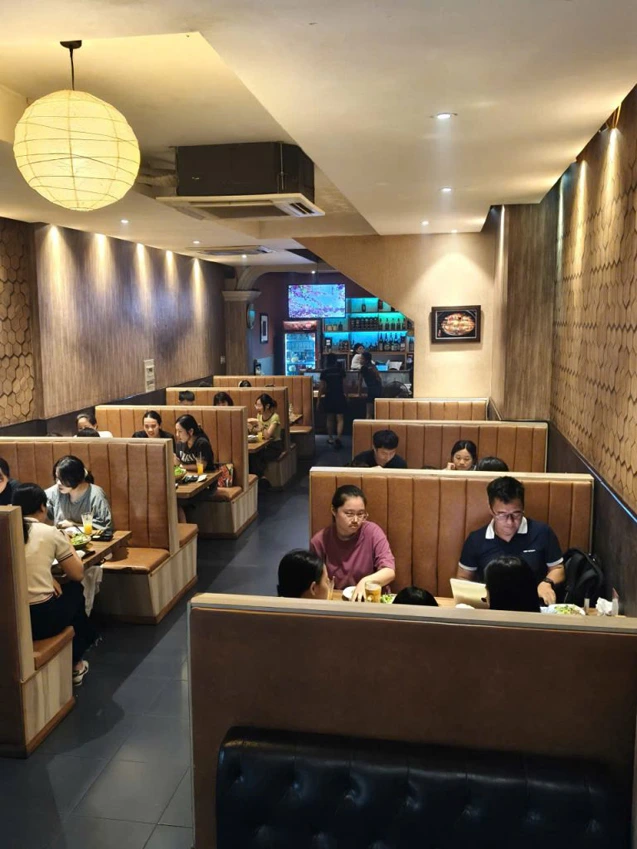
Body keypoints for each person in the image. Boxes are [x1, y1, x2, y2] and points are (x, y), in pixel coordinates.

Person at [13, 483, 98, 686]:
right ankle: (76, 663)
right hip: (39, 622)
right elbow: (77, 574)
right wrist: (65, 539)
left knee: (64, 594)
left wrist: (49, 578)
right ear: (43, 507)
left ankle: (83, 647)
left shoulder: (7, 529)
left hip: (10, 620)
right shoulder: (49, 532)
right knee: (74, 590)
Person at [457, 476, 564, 605]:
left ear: (523, 507)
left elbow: (558, 568)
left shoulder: (542, 532)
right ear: (491, 510)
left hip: (534, 606)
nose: (510, 522)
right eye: (502, 514)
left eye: (516, 514)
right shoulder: (476, 540)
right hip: (491, 607)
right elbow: (463, 577)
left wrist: (547, 583)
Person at [310, 484, 395, 601]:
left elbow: (389, 571)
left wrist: (365, 582)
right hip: (337, 600)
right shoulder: (320, 541)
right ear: (334, 510)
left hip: (370, 599)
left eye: (360, 514)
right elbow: (315, 582)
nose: (356, 520)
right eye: (349, 514)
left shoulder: (373, 532)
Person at [46, 455, 113, 531]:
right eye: (57, 478)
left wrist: (74, 525)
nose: (58, 483)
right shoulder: (54, 491)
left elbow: (105, 527)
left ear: (75, 478)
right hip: (61, 537)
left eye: (63, 479)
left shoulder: (96, 494)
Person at [249, 393, 284, 478]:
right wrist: (251, 428)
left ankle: (261, 478)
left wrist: (258, 423)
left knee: (257, 456)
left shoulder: (275, 417)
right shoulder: (259, 416)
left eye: (259, 405)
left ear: (267, 406)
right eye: (256, 405)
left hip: (275, 447)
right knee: (250, 456)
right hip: (263, 445)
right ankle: (256, 479)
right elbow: (260, 433)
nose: (257, 408)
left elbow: (268, 435)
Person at [319, 353, 347, 448]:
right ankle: (338, 438)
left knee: (329, 418)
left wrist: (319, 399)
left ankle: (330, 438)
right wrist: (347, 396)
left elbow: (322, 387)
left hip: (329, 396)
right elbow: (344, 385)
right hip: (339, 395)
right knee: (340, 418)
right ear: (335, 361)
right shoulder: (340, 371)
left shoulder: (324, 372)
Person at [358, 352, 383, 418]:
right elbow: (379, 378)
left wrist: (359, 393)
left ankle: (368, 424)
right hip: (378, 390)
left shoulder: (363, 368)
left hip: (371, 390)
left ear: (365, 360)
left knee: (368, 413)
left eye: (361, 358)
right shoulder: (373, 366)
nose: (360, 360)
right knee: (377, 413)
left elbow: (360, 381)